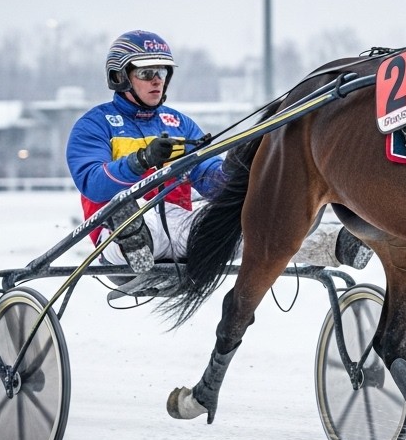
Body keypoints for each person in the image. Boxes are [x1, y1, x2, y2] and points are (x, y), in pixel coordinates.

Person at [67, 30, 372, 275]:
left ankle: (332, 243)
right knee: (133, 218)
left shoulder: (179, 124)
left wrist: (238, 167)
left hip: (180, 224)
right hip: (112, 228)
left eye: (161, 71)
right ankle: (134, 240)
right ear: (120, 77)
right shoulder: (94, 125)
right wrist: (141, 161)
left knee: (246, 226)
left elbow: (210, 182)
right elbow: (92, 184)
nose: (157, 80)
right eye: (147, 73)